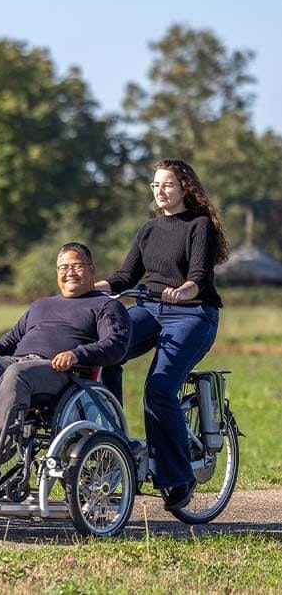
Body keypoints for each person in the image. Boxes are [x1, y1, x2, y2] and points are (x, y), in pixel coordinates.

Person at [94, 158, 228, 512]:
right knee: (105, 351)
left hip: (193, 314)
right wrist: (88, 290)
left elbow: (198, 275)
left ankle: (177, 477)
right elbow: (125, 277)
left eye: (167, 185)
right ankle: (113, 440)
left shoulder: (200, 226)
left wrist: (184, 291)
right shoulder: (149, 229)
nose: (160, 191)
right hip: (150, 309)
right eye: (155, 186)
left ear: (185, 187)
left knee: (159, 388)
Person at [0, 242, 131, 478]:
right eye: (63, 267)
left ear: (92, 269)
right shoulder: (42, 304)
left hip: (62, 373)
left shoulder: (106, 305)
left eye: (77, 266)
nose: (69, 272)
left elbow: (115, 344)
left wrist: (76, 354)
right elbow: (13, 338)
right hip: (19, 363)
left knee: (17, 374)